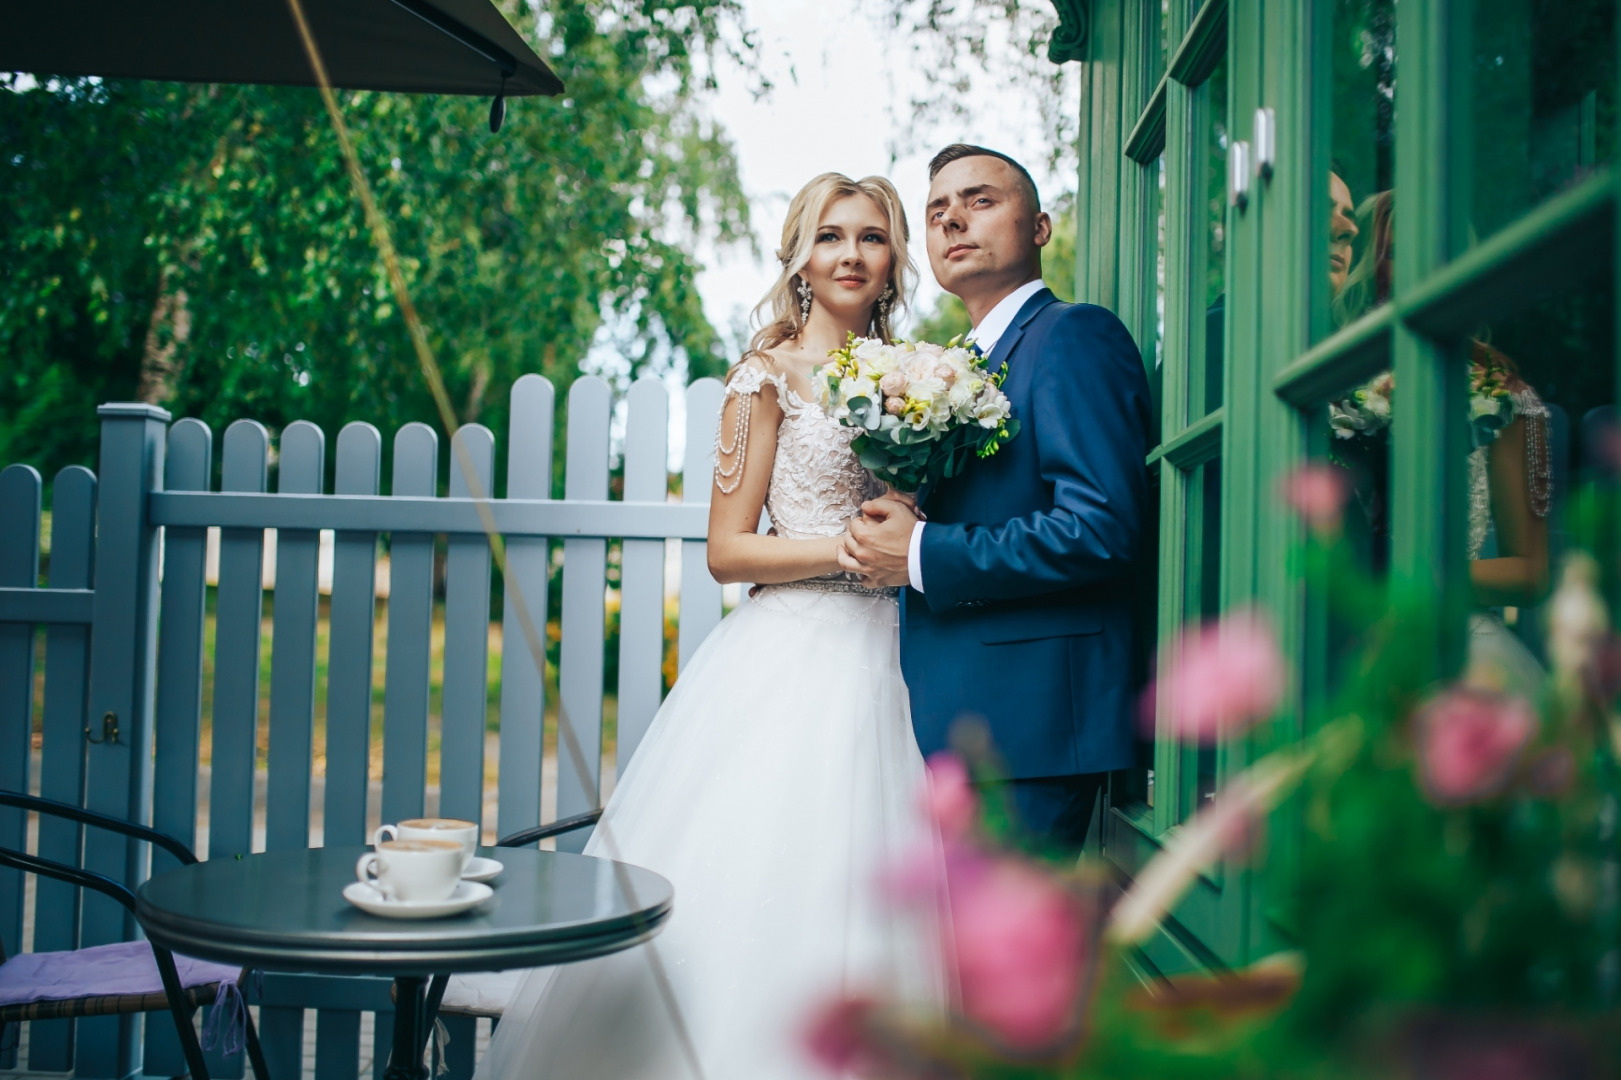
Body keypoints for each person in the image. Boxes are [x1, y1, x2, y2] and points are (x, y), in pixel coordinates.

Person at [473, 173, 943, 1080]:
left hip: (898, 657)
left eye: (872, 238)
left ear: (892, 264)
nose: (851, 254)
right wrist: (848, 550)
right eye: (832, 236)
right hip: (789, 660)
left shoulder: (917, 380)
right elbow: (728, 550)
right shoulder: (761, 378)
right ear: (800, 258)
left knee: (879, 901)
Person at [840, 145, 1153, 853]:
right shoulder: (962, 361)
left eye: (979, 201)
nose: (953, 219)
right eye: (937, 211)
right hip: (963, 720)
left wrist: (919, 551)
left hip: (1030, 727)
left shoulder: (1073, 335)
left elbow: (1100, 527)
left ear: (1039, 227)